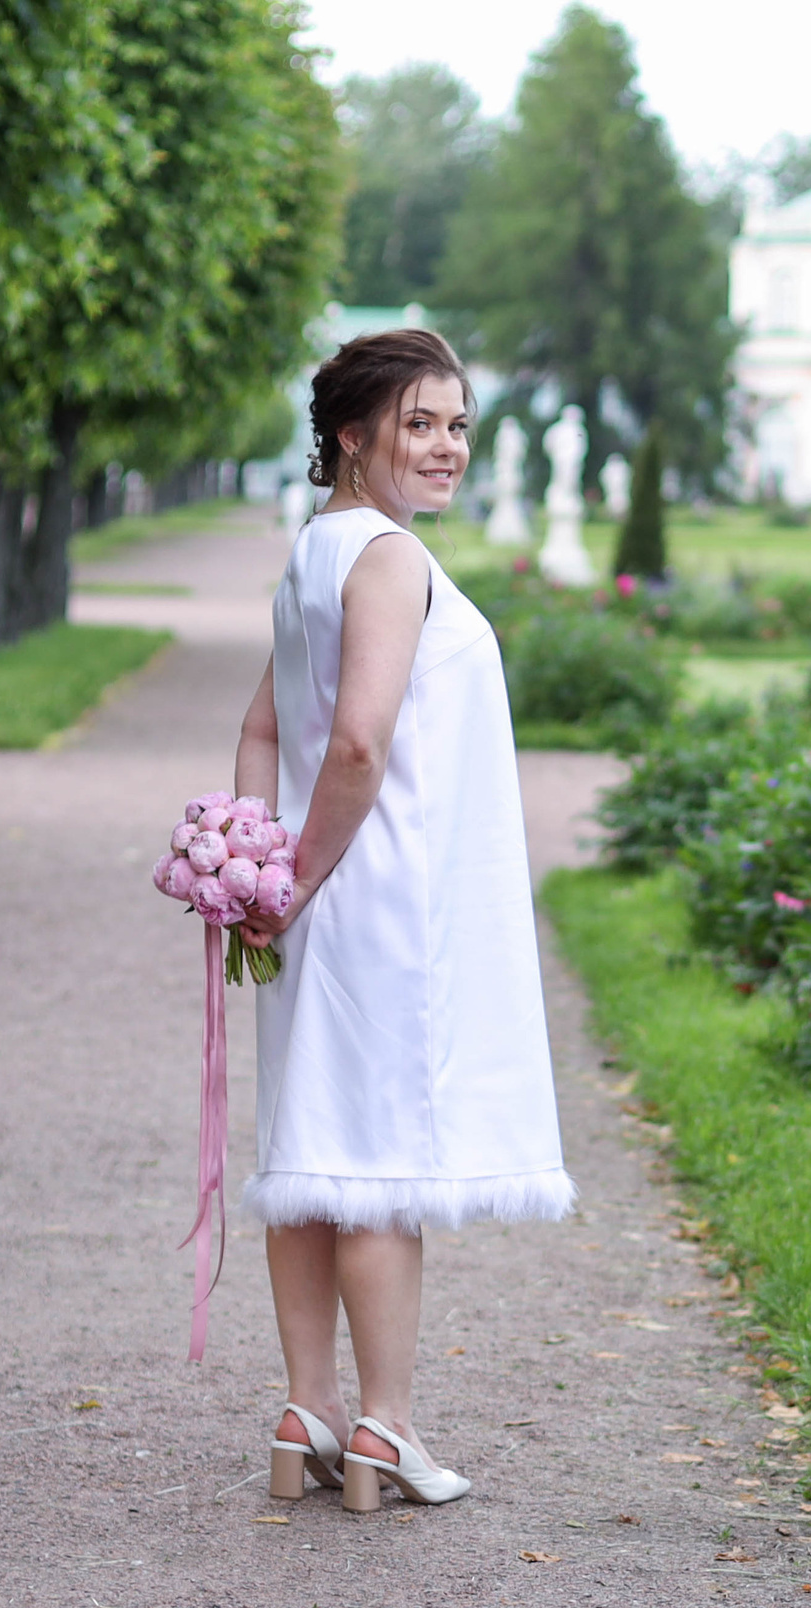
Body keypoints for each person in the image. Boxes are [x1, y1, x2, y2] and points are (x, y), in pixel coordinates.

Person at [233, 329, 575, 1513]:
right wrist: (293, 880)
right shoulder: (384, 558)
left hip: (311, 900)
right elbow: (359, 743)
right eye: (419, 423)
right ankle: (382, 1428)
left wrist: (254, 860)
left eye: (459, 426)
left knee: (310, 1157)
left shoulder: (313, 553)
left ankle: (303, 1410)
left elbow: (267, 729)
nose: (446, 448)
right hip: (371, 904)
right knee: (377, 1166)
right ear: (350, 434)